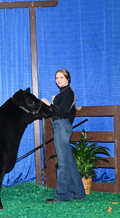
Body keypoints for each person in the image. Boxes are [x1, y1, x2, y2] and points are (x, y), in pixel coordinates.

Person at [41, 69, 86, 203]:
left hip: (61, 126)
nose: (58, 80)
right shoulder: (64, 93)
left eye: (61, 77)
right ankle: (78, 193)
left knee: (63, 162)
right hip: (61, 126)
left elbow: (62, 112)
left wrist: (50, 105)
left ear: (68, 78)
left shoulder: (67, 93)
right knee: (69, 161)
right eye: (56, 78)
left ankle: (61, 195)